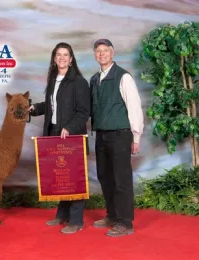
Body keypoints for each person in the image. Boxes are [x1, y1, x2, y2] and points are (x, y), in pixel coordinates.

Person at [29, 42, 90, 234]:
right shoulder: (54, 79)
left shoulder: (79, 82)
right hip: (54, 132)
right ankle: (62, 214)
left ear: (71, 60)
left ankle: (76, 220)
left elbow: (84, 111)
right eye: (58, 55)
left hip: (72, 136)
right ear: (54, 59)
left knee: (75, 178)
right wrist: (35, 109)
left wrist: (69, 127)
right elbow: (52, 106)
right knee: (61, 176)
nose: (62, 58)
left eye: (66, 55)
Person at [89, 39, 144, 237]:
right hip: (101, 135)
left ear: (112, 53)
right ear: (95, 55)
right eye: (98, 51)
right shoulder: (95, 79)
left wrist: (136, 136)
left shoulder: (123, 77)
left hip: (120, 134)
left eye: (105, 50)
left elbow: (134, 107)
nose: (102, 54)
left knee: (121, 179)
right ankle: (112, 215)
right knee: (105, 177)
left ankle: (125, 222)